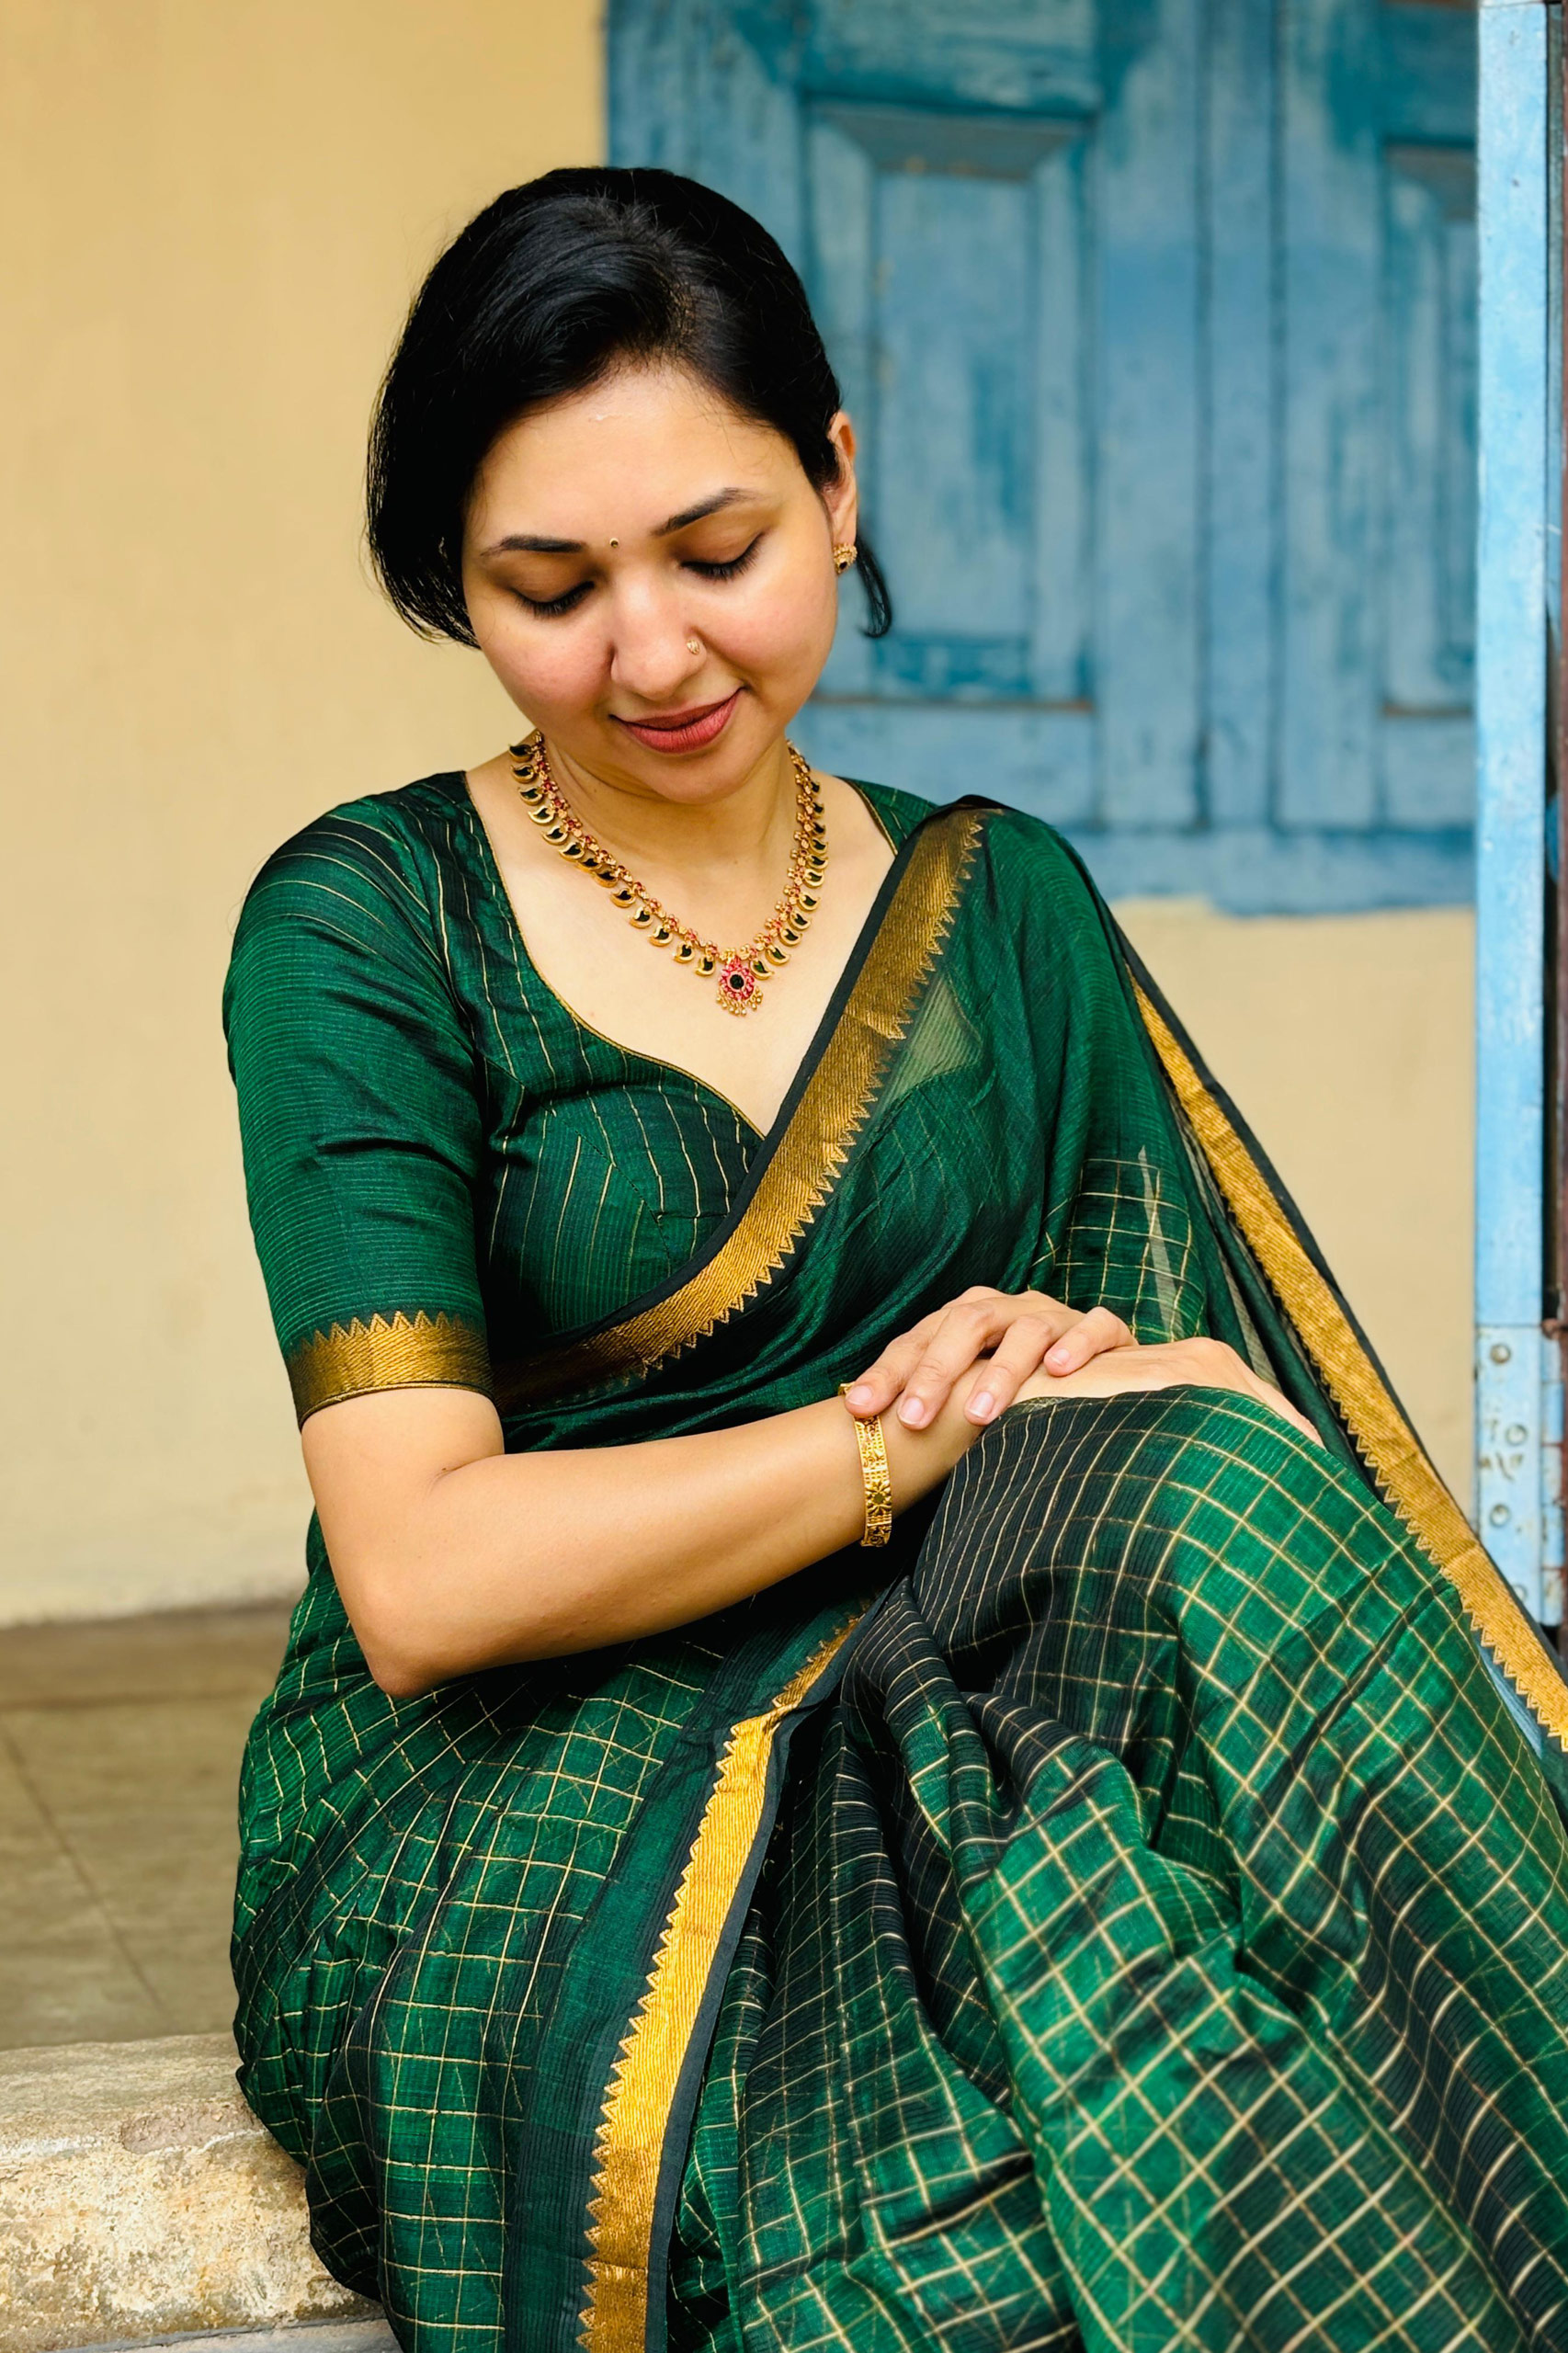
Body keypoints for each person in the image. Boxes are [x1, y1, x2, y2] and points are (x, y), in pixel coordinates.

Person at [224, 169, 1568, 2353]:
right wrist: (904, 1442)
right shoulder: (375, 927)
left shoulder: (998, 911)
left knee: (1222, 1516)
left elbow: (1170, 1398)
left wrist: (1133, 1392)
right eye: (546, 586)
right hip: (532, 1787)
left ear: (838, 485)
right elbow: (426, 1577)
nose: (651, 650)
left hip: (963, 1673)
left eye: (717, 551)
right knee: (1051, 2153)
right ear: (453, 589)